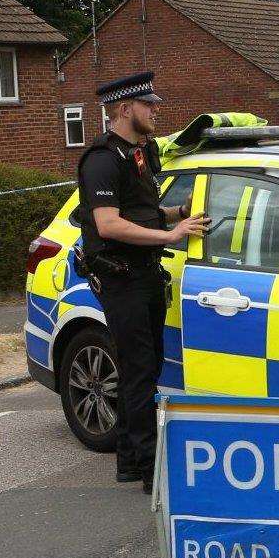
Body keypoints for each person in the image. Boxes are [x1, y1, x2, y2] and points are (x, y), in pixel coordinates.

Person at [77, 73, 210, 492]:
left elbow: (142, 208)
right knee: (136, 372)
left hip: (147, 274)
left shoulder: (141, 152)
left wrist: (177, 214)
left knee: (148, 369)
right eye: (148, 104)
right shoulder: (102, 159)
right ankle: (147, 468)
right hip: (122, 280)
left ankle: (132, 460)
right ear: (124, 108)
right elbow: (108, 223)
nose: (156, 110)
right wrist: (171, 236)